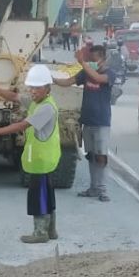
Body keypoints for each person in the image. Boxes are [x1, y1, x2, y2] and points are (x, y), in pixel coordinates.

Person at [0, 64, 62, 243]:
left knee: (38, 195)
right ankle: (51, 230)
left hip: (41, 158)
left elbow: (23, 125)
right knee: (47, 193)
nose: (32, 91)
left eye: (37, 88)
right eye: (31, 87)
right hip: (44, 158)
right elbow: (14, 96)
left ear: (47, 88)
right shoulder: (37, 102)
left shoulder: (46, 107)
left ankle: (40, 233)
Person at [54, 43, 114, 202]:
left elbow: (98, 78)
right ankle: (93, 188)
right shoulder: (86, 73)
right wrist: (51, 79)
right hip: (87, 121)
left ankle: (102, 189)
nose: (91, 61)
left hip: (102, 121)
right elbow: (68, 82)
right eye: (89, 58)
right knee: (92, 156)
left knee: (101, 156)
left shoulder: (109, 73)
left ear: (102, 57)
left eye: (93, 58)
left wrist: (83, 63)